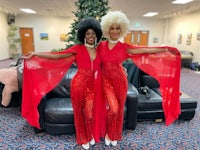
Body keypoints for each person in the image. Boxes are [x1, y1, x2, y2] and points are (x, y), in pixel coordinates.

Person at [98, 10, 181, 146]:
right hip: (106, 82)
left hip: (120, 81)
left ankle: (115, 134)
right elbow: (94, 61)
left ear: (122, 30)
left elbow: (146, 50)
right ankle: (108, 132)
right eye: (112, 28)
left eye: (118, 28)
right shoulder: (101, 46)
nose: (115, 31)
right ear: (107, 29)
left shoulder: (125, 48)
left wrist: (165, 49)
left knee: (119, 110)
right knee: (113, 109)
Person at [22, 17, 102, 150]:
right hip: (79, 84)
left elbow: (107, 63)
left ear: (97, 34)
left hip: (93, 86)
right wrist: (36, 53)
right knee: (79, 112)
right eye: (88, 33)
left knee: (89, 113)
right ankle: (83, 137)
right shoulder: (77, 48)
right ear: (83, 35)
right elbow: (58, 55)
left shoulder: (99, 50)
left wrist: (122, 68)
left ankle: (90, 133)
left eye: (93, 33)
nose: (91, 36)